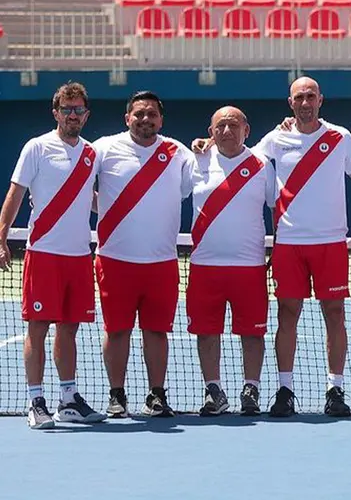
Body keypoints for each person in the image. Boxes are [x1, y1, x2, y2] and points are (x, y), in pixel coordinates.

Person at [255, 77, 351, 418]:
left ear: (321, 100)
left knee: (335, 315)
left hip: (330, 242)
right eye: (299, 97)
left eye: (311, 97)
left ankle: (335, 388)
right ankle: (285, 389)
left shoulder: (340, 137)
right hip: (289, 243)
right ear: (291, 103)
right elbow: (243, 160)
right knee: (287, 316)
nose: (305, 103)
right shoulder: (275, 139)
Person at [0, 82, 106, 429]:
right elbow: (15, 195)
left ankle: (68, 399)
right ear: (55, 112)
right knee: (38, 328)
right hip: (43, 254)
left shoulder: (91, 154)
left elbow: (92, 199)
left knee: (70, 330)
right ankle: (35, 401)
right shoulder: (37, 148)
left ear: (86, 115)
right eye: (67, 109)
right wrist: (1, 239)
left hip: (79, 257)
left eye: (78, 110)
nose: (73, 115)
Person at [93, 90, 195, 418]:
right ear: (127, 118)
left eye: (152, 114)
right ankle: (116, 395)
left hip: (161, 262)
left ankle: (156, 395)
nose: (145, 119)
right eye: (139, 114)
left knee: (157, 331)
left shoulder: (178, 153)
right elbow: (76, 183)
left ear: (161, 120)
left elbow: (210, 173)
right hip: (114, 260)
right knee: (117, 330)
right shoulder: (104, 148)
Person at [187, 106, 276, 416]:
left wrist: (278, 251)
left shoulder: (262, 165)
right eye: (220, 126)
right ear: (211, 132)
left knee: (252, 333)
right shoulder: (194, 161)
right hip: (204, 266)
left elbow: (276, 209)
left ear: (246, 130)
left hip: (249, 267)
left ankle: (251, 388)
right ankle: (214, 390)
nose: (227, 131)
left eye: (233, 125)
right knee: (206, 332)